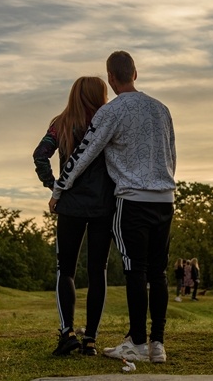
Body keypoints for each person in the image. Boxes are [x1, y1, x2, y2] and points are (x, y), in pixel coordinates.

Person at [50, 50, 176, 364]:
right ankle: (157, 344)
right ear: (135, 72)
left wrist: (59, 188)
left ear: (110, 77)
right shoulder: (162, 109)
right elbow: (171, 152)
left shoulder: (112, 112)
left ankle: (136, 341)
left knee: (136, 271)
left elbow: (83, 153)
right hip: (165, 197)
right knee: (158, 273)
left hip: (133, 199)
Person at [33, 76, 116, 357]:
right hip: (104, 206)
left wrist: (53, 184)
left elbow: (39, 155)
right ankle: (90, 339)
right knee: (97, 271)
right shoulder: (107, 123)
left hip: (70, 206)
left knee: (65, 270)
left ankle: (67, 331)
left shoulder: (61, 123)